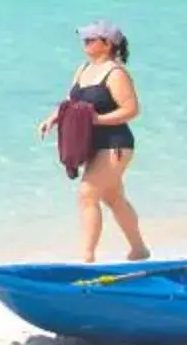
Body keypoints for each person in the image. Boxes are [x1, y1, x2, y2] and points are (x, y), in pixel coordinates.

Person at [38, 20, 149, 262]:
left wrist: (96, 120)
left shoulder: (115, 73)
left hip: (115, 144)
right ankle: (139, 249)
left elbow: (131, 109)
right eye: (84, 39)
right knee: (113, 197)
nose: (85, 43)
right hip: (91, 144)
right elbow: (70, 102)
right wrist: (52, 119)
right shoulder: (83, 69)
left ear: (107, 44)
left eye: (90, 39)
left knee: (87, 194)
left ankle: (86, 257)